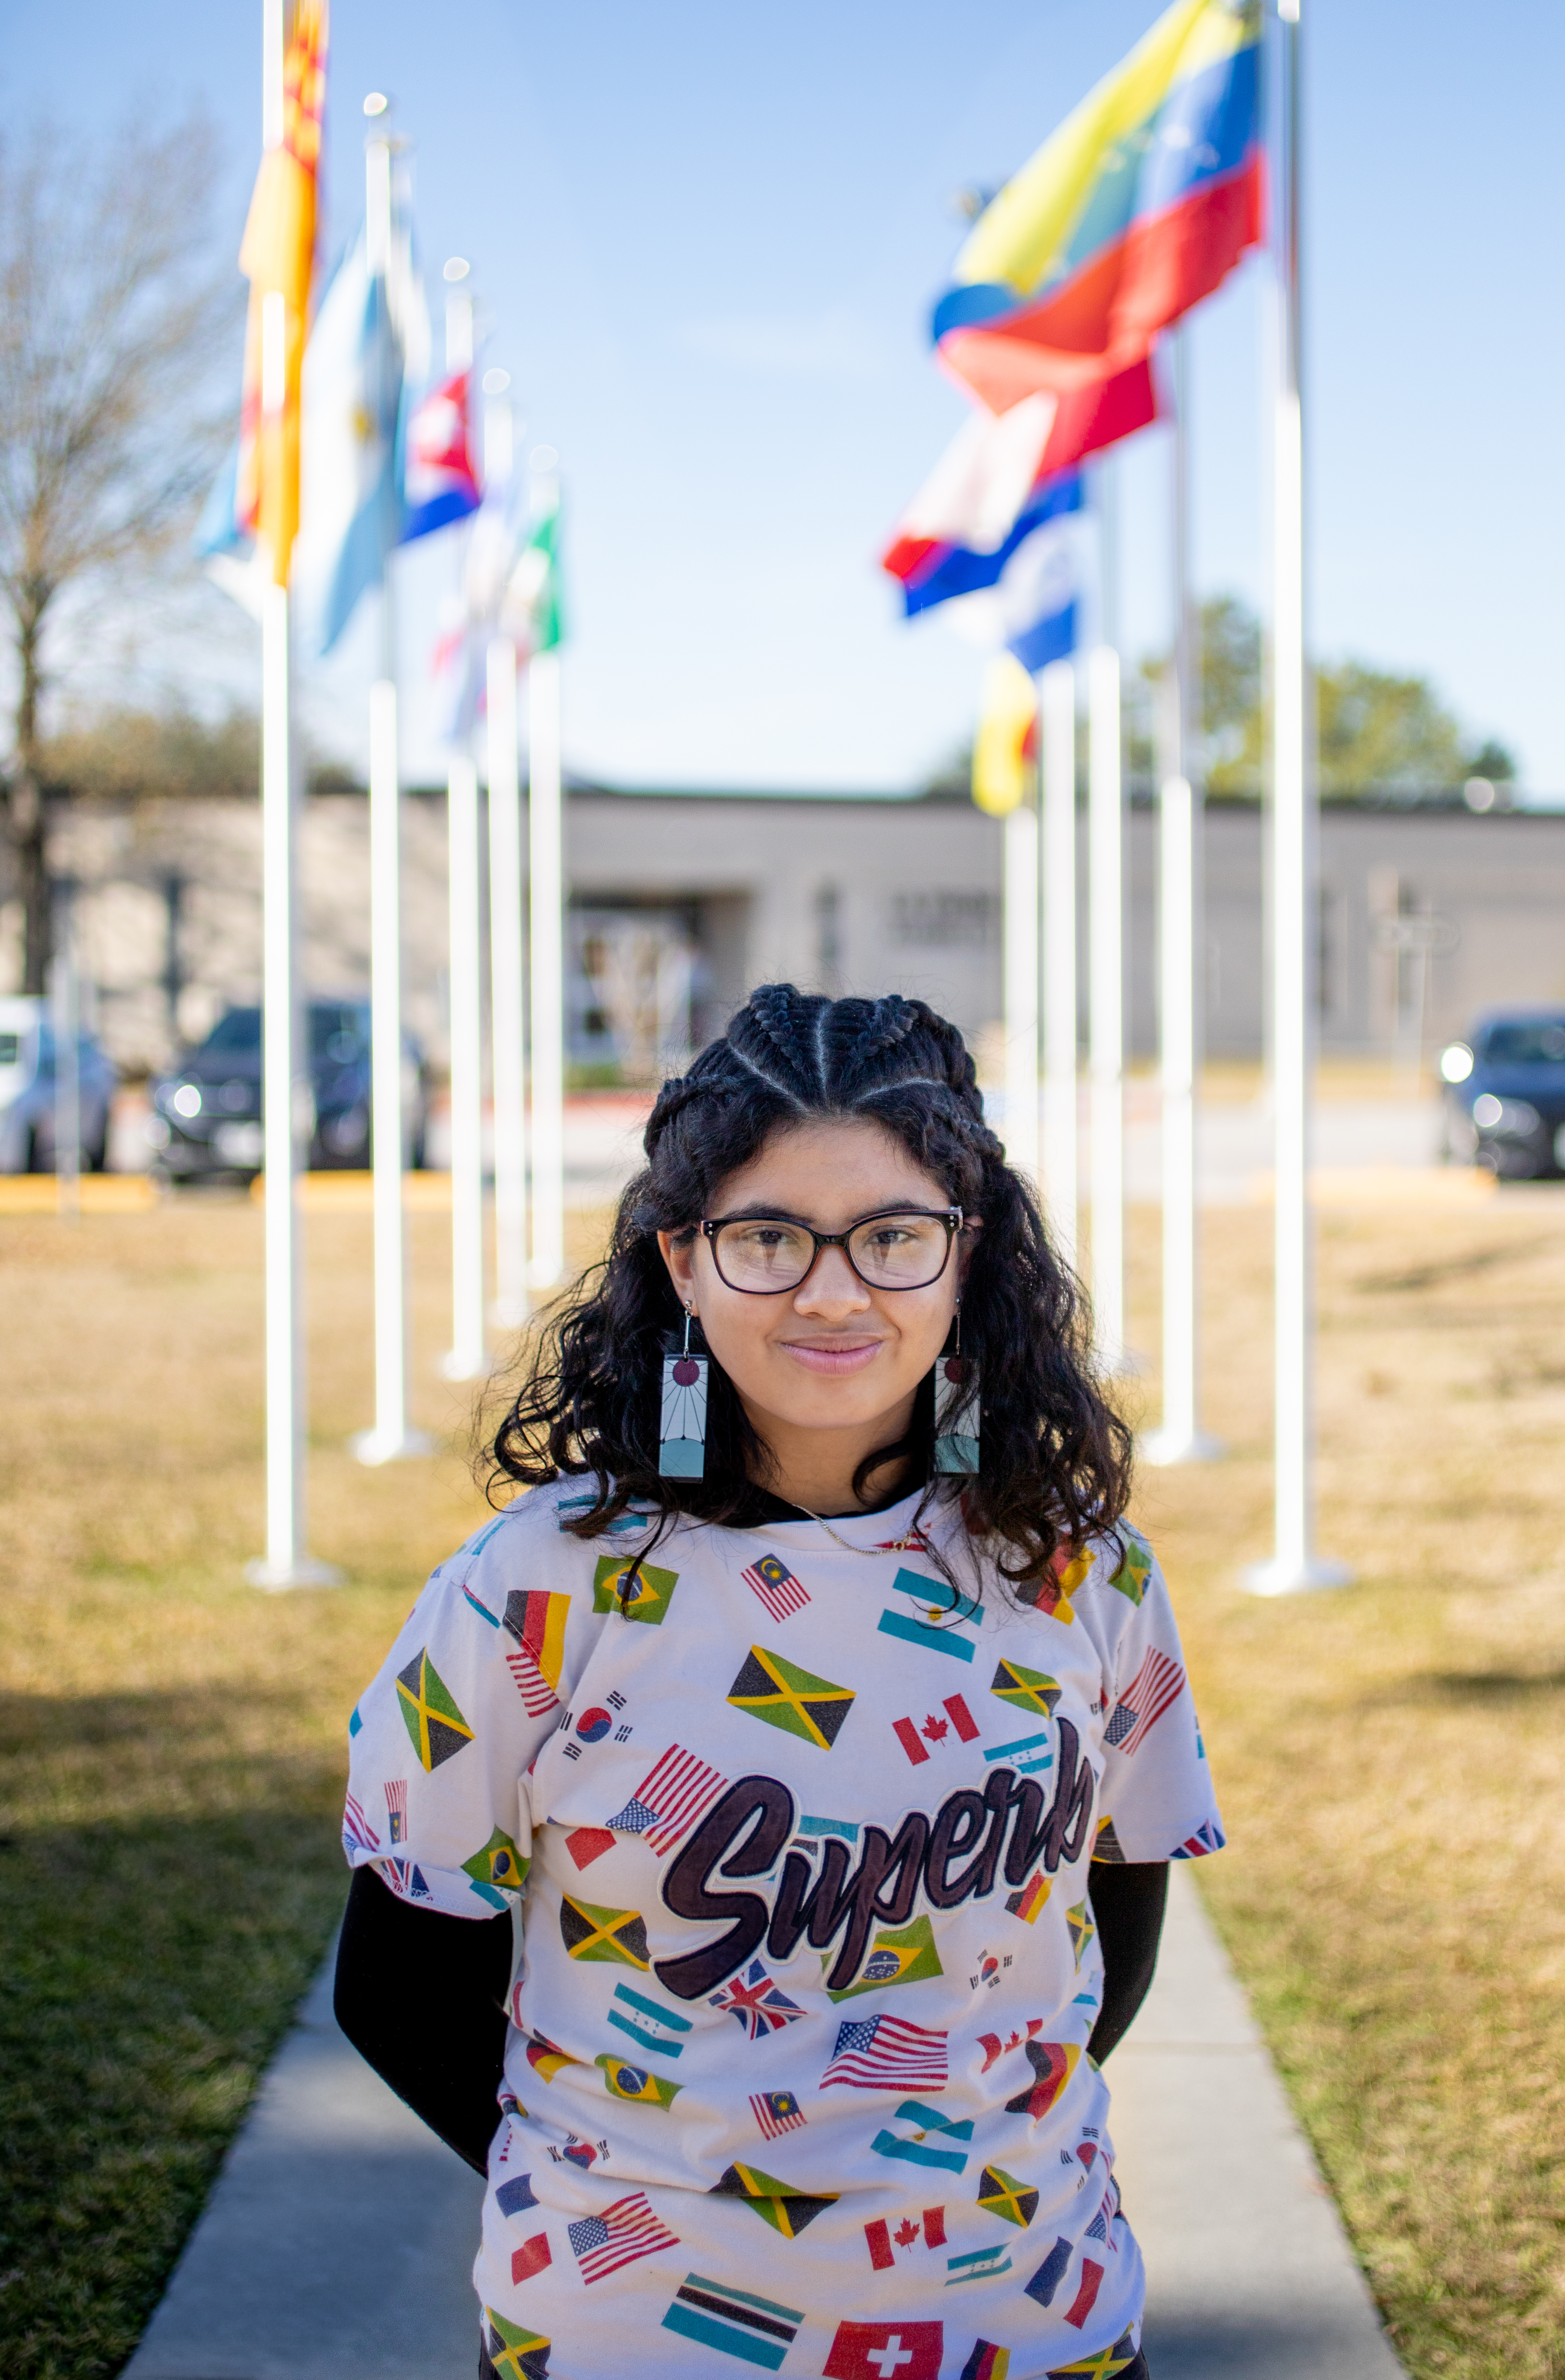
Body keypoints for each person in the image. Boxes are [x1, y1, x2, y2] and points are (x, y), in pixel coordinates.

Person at [336, 984, 1223, 2380]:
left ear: (965, 1255)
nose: (832, 1289)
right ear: (682, 1260)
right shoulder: (539, 1589)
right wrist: (630, 2199)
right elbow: (398, 1989)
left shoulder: (1082, 1575)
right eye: (766, 1238)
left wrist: (950, 2177)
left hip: (1027, 2326)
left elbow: (1112, 1945)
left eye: (891, 1237)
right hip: (632, 2340)